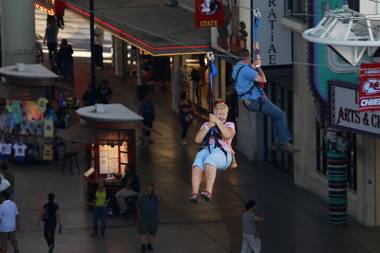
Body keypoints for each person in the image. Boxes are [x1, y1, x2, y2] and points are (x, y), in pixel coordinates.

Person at [232, 48, 299, 153]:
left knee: (276, 115)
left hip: (252, 100)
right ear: (247, 58)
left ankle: (279, 142)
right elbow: (263, 79)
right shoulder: (246, 70)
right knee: (280, 114)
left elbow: (256, 64)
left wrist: (257, 52)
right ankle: (283, 143)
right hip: (256, 100)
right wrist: (260, 69)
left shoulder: (238, 67)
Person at [190, 102, 235, 203]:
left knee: (210, 160)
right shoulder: (207, 124)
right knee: (198, 160)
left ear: (227, 115)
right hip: (208, 149)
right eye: (219, 114)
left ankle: (208, 191)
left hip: (222, 153)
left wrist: (218, 122)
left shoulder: (229, 125)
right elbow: (197, 140)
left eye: (224, 114)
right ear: (214, 114)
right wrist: (208, 126)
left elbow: (227, 135)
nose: (221, 116)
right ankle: (194, 193)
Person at [137, 183, 159, 252]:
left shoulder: (155, 197)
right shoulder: (142, 196)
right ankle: (143, 245)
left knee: (152, 232)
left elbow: (160, 201)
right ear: (146, 188)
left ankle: (149, 243)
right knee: (143, 231)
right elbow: (138, 206)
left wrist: (156, 193)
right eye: (148, 187)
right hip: (144, 217)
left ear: (153, 189)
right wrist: (138, 215)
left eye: (151, 187)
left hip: (153, 217)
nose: (149, 189)